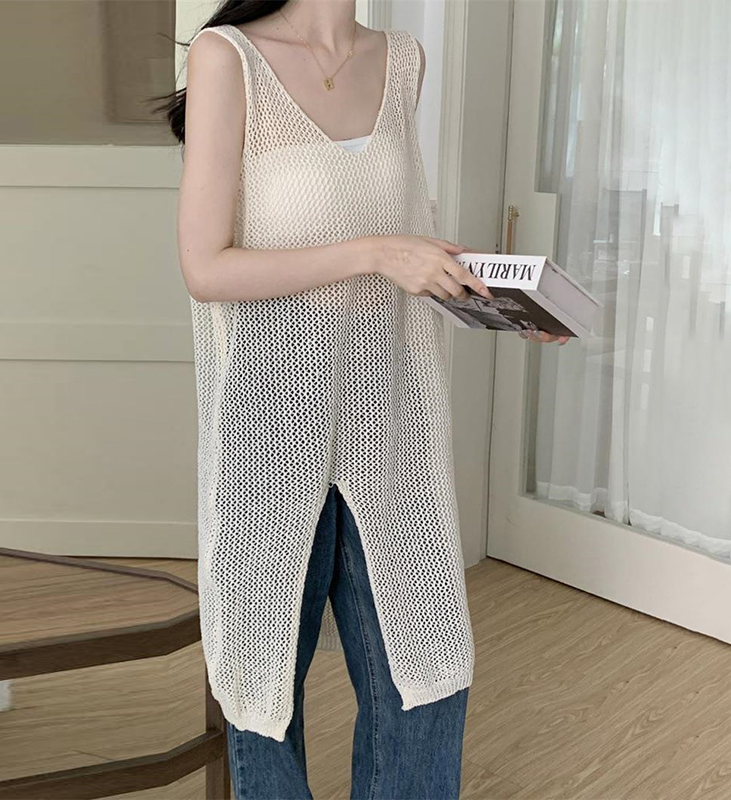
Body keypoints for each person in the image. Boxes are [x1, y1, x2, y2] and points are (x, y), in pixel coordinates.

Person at [160, 1, 569, 797]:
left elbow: (406, 242)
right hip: (272, 426)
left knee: (428, 669)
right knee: (262, 679)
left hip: (393, 423)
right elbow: (206, 268)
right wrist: (376, 253)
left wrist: (508, 302)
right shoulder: (228, 57)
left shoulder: (403, 60)